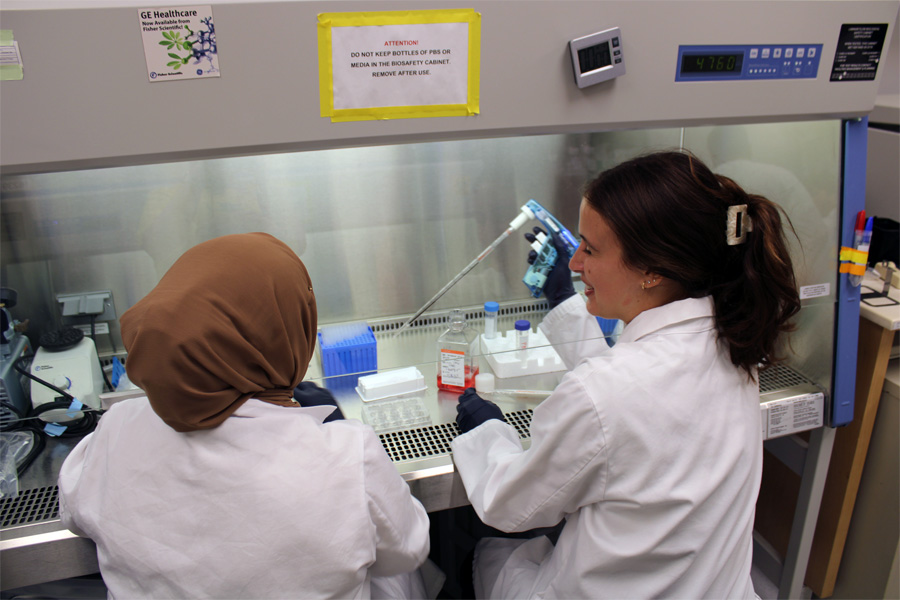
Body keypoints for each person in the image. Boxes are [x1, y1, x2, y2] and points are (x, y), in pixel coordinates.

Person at [451, 151, 801, 599]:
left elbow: (511, 505)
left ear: (652, 270)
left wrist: (488, 433)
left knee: (488, 555)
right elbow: (630, 390)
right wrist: (562, 298)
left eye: (591, 250)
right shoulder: (735, 345)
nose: (576, 264)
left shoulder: (605, 393)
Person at [58, 232, 431, 599]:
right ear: (288, 329)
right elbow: (408, 546)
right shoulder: (346, 455)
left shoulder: (116, 427)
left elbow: (74, 512)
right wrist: (330, 430)